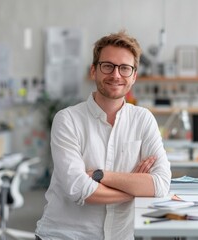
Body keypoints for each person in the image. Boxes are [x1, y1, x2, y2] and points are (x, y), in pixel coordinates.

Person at [35, 31, 171, 239]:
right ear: (94, 71)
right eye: (108, 66)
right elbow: (79, 189)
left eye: (125, 68)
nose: (116, 75)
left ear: (134, 76)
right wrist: (135, 186)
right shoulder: (67, 119)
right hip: (65, 235)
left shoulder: (143, 119)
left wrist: (101, 175)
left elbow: (160, 185)